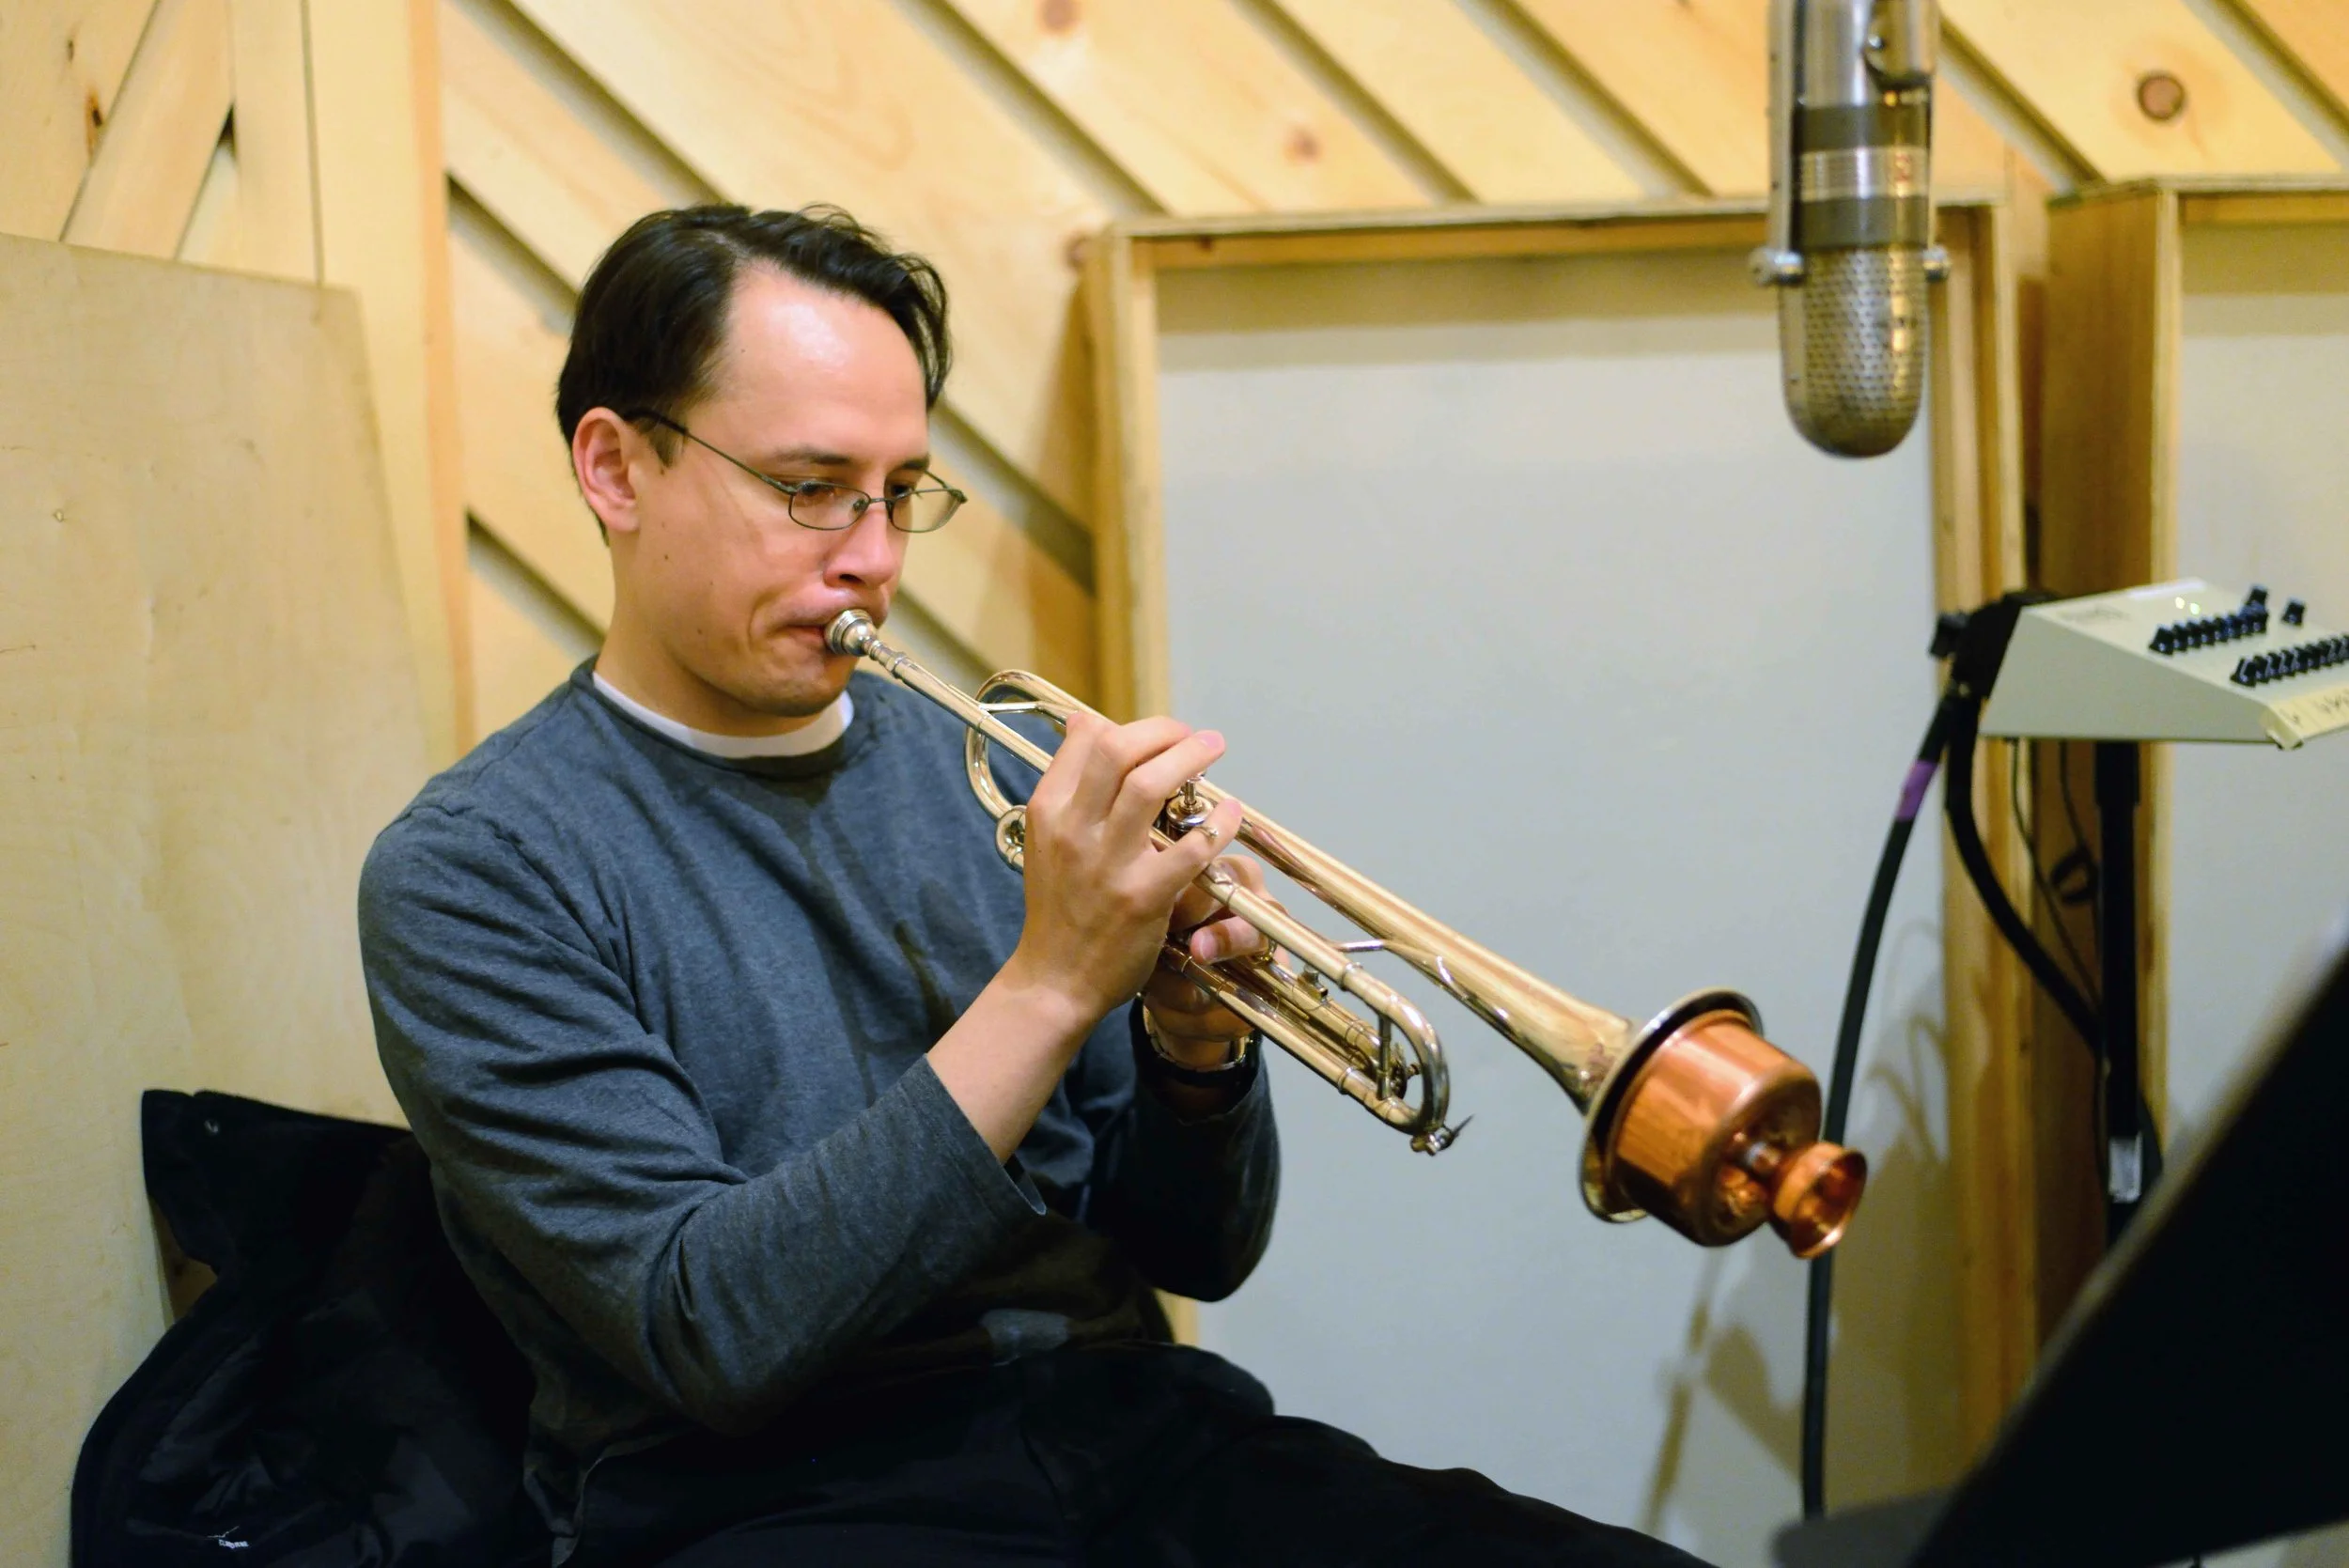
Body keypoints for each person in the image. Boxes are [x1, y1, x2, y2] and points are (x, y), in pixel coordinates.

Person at [359, 204, 1707, 1568]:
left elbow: (1198, 1252)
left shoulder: (994, 774)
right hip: (767, 1504)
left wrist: (1195, 1053)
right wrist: (1056, 982)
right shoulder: (478, 872)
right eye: (811, 487)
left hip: (1125, 1435)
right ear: (615, 469)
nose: (873, 557)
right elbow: (715, 1332)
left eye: (901, 494)